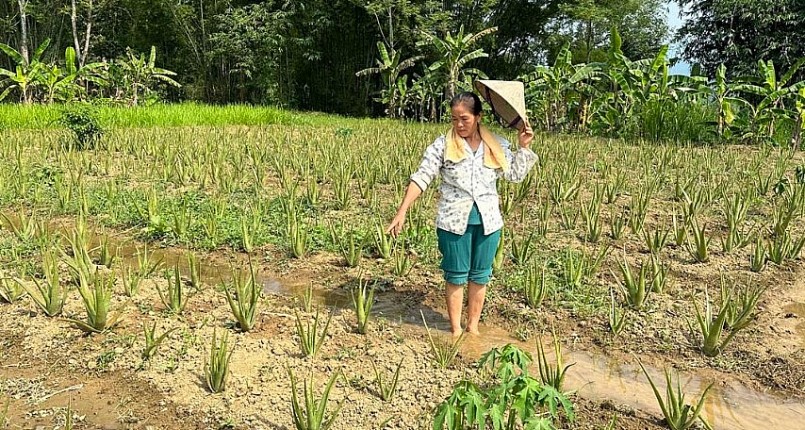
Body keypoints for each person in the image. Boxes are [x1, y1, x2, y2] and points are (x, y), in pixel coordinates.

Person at [386, 91, 537, 336]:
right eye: (454, 119)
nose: (459, 124)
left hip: (488, 222)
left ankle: (473, 328)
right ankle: (456, 330)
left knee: (480, 275)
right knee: (455, 275)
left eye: (464, 119)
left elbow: (514, 175)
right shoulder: (442, 145)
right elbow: (422, 176)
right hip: (453, 222)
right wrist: (402, 210)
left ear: (478, 117)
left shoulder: (496, 144)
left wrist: (523, 147)